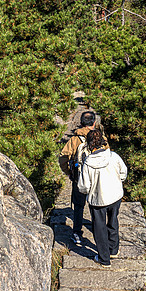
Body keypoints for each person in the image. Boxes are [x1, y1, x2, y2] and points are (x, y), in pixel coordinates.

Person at [77, 128, 128, 266]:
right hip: (115, 196)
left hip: (98, 200)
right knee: (113, 222)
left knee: (99, 228)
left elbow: (83, 186)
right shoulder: (113, 156)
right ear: (102, 142)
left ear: (89, 144)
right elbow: (123, 173)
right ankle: (113, 250)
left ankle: (104, 258)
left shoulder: (88, 163)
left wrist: (89, 192)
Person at [58, 111, 106, 246]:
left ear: (81, 123)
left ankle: (77, 233)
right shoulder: (101, 139)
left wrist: (69, 172)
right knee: (96, 204)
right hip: (97, 177)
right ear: (94, 123)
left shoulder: (74, 139)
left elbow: (63, 157)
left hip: (79, 177)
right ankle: (98, 231)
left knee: (79, 206)